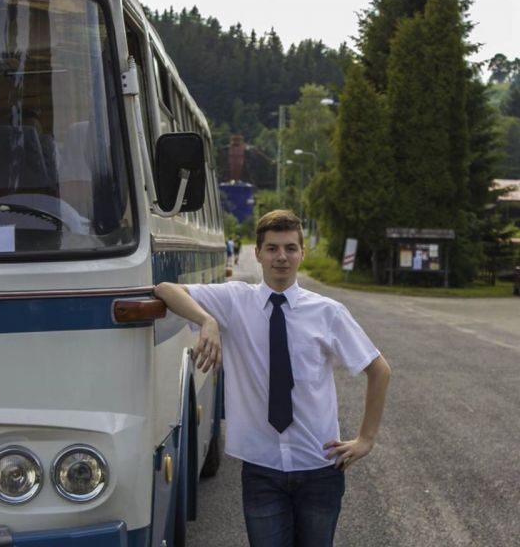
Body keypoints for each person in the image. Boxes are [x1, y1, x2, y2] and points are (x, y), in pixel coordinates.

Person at [154, 209, 391, 547]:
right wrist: (207, 320)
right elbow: (165, 289)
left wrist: (366, 439)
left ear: (302, 254)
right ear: (258, 254)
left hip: (319, 468)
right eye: (273, 248)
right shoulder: (235, 302)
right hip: (262, 471)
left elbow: (379, 370)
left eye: (290, 248)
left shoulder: (328, 312)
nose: (282, 257)